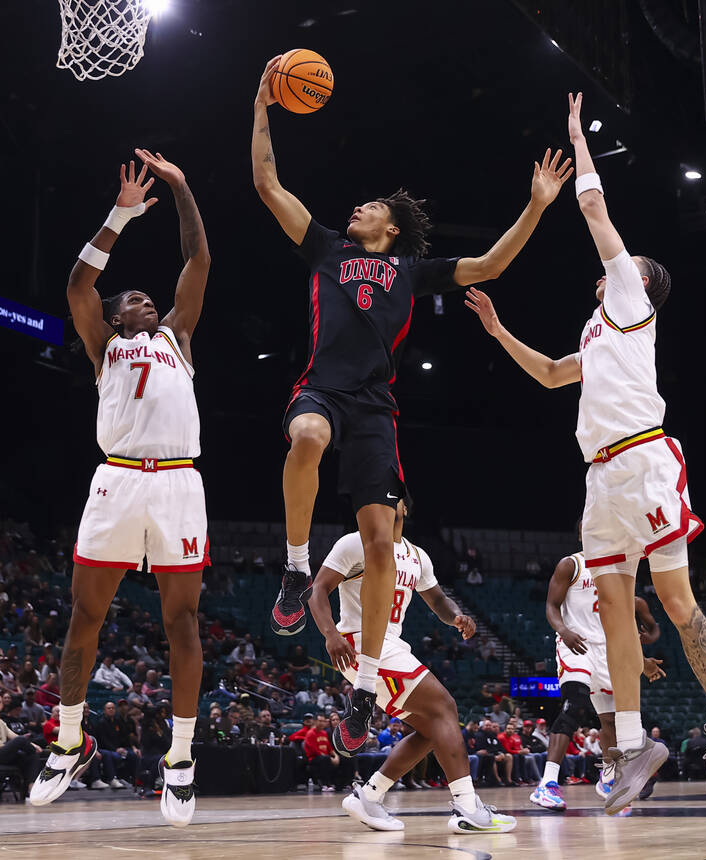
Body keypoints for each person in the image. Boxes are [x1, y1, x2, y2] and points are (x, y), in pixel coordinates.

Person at [252, 55, 574, 758]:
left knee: (379, 546)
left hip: (374, 408)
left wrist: (539, 205)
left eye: (372, 206)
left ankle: (365, 694)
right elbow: (267, 182)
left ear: (392, 229)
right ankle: (296, 565)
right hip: (323, 389)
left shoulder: (411, 268)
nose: (358, 207)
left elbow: (489, 265)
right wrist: (262, 105)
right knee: (304, 434)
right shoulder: (325, 248)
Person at [465, 92, 706, 815]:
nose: (610, 269)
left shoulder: (631, 298)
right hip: (600, 480)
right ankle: (631, 749)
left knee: (679, 604)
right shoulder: (598, 337)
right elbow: (555, 374)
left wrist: (575, 140)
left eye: (626, 266)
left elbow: (595, 213)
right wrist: (499, 333)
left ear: (640, 282)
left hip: (646, 458)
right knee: (614, 614)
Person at [27, 148, 210, 831]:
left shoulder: (177, 337)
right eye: (137, 298)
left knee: (182, 623)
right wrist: (121, 215)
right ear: (118, 313)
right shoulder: (103, 343)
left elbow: (198, 261)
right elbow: (78, 283)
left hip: (177, 485)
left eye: (149, 298)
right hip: (116, 480)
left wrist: (183, 188)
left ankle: (181, 758)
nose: (150, 300)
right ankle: (68, 742)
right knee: (84, 618)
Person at [305, 500, 515, 833]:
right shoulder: (354, 542)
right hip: (359, 645)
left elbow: (438, 601)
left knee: (434, 729)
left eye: (392, 496)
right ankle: (467, 806)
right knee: (445, 707)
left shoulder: (417, 555)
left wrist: (456, 617)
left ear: (405, 506)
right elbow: (317, 590)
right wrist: (330, 634)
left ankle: (369, 796)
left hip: (391, 646)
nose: (384, 500)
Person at [530, 547, 664, 811]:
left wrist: (642, 658)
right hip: (576, 643)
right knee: (574, 706)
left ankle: (608, 778)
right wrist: (563, 630)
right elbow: (551, 606)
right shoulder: (571, 564)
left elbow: (636, 624)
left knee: (611, 721)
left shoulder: (616, 571)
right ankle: (546, 785)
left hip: (607, 651)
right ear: (583, 533)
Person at [0, 692, 42, 792]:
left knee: (32, 755)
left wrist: (33, 745)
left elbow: (14, 736)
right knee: (21, 741)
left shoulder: (0, 722)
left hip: (2, 755)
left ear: (2, 705)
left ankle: (32, 789)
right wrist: (4, 746)